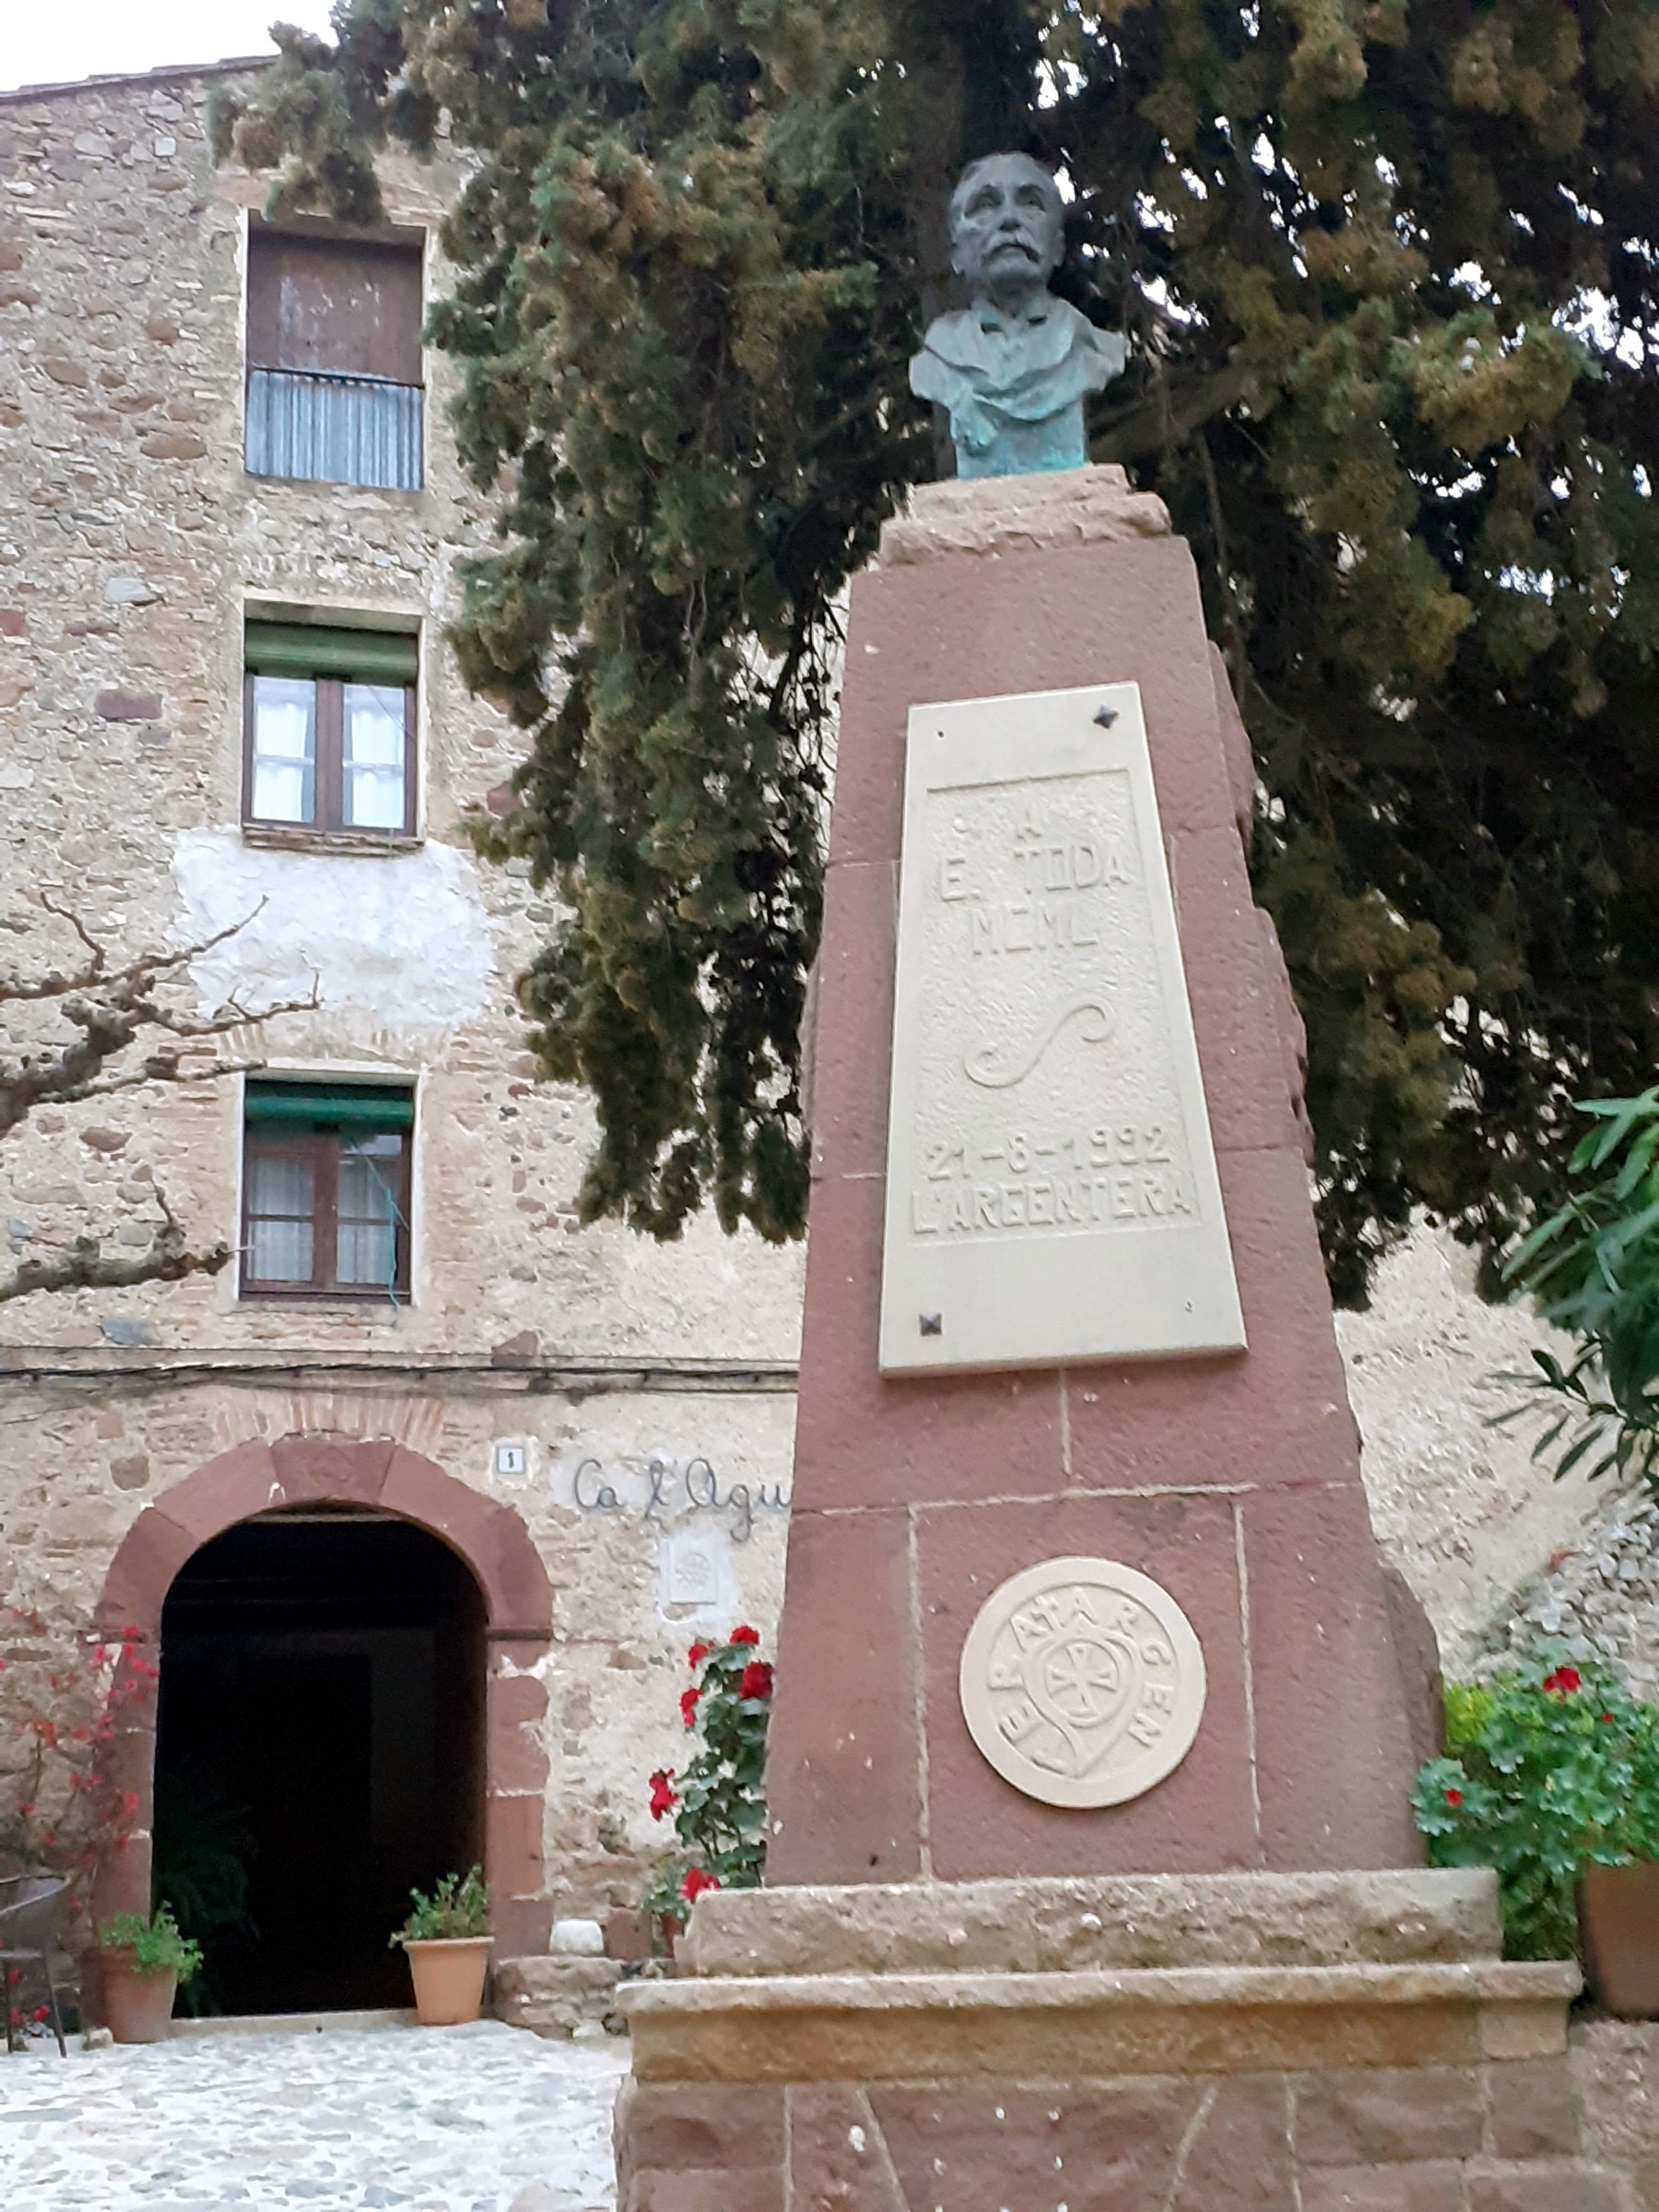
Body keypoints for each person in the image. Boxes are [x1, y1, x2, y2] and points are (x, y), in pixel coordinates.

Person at [910, 152, 1125, 479]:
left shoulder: (1093, 348)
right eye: (985, 206)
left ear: (1058, 247)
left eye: (1031, 204)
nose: (1009, 219)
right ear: (956, 254)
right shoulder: (937, 357)